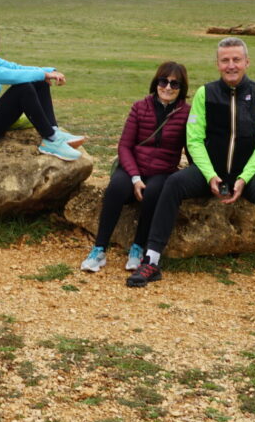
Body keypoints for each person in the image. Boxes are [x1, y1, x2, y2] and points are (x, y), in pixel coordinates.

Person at [126, 37, 255, 306]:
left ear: (246, 62)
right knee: (173, 184)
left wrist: (244, 178)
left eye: (236, 60)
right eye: (225, 60)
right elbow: (194, 140)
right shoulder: (206, 93)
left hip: (248, 172)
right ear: (218, 64)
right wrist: (209, 175)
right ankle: (152, 260)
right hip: (210, 170)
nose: (231, 65)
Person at [81, 62, 190, 273]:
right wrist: (134, 177)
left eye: (174, 84)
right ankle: (99, 248)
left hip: (162, 170)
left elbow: (192, 146)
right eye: (163, 81)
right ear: (156, 82)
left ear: (182, 88)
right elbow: (124, 145)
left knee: (155, 193)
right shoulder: (140, 107)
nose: (167, 87)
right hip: (133, 167)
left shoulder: (186, 113)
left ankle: (138, 247)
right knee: (115, 188)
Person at [0, 11, 84, 161]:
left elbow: (15, 68)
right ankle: (51, 139)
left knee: (38, 82)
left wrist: (47, 71)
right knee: (23, 88)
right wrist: (44, 74)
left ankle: (53, 132)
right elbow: (9, 75)